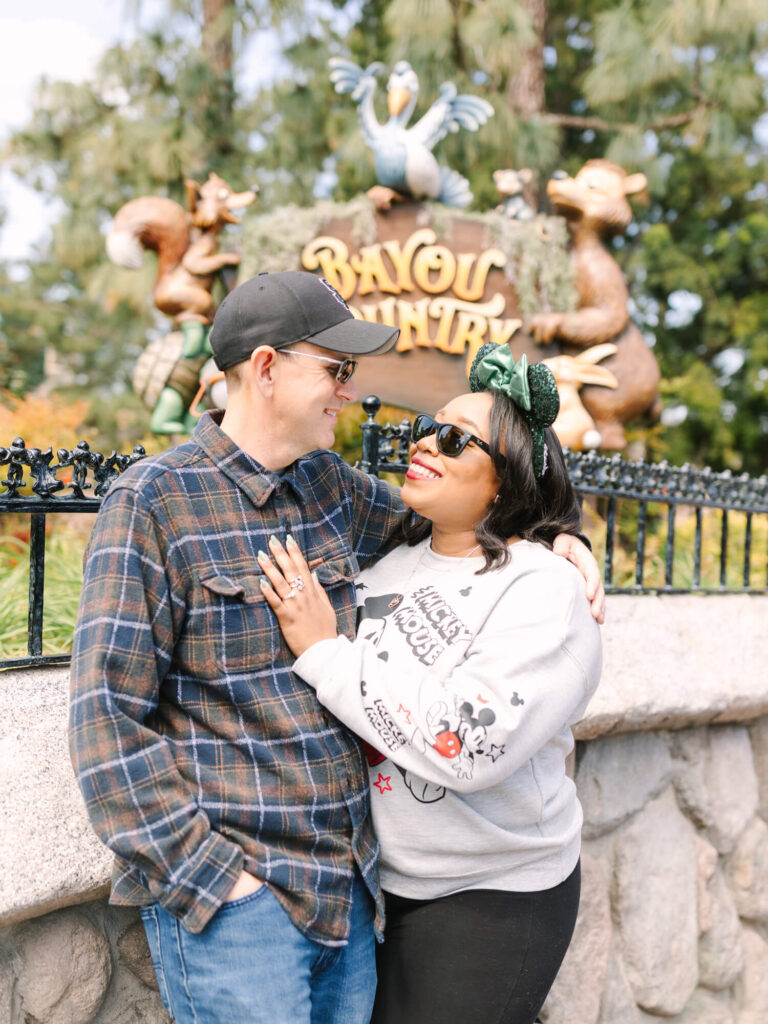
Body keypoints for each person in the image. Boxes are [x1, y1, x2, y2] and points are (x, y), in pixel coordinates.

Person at [69, 271, 604, 1024]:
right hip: (242, 901)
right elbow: (106, 722)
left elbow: (474, 515)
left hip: (351, 895)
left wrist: (561, 537)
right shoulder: (153, 502)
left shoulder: (330, 490)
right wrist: (211, 879)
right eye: (335, 370)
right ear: (265, 369)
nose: (349, 391)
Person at [258, 343, 603, 1024]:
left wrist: (326, 652)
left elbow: (465, 745)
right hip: (378, 885)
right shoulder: (386, 567)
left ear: (503, 480)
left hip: (493, 893)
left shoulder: (544, 588)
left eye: (454, 439)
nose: (426, 445)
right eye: (425, 427)